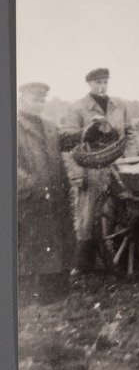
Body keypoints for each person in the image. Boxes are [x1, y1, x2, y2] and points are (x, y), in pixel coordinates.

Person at [60, 68, 134, 275]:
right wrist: (77, 173)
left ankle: (118, 255)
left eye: (105, 81)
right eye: (97, 82)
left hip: (117, 166)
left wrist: (130, 159)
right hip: (90, 168)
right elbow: (69, 142)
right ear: (89, 84)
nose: (102, 86)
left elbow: (129, 133)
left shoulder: (119, 105)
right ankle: (84, 263)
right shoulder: (78, 108)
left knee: (118, 210)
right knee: (88, 214)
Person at [17, 82, 75, 302]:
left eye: (42, 100)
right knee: (32, 245)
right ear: (22, 100)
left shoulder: (49, 126)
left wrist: (86, 133)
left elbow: (65, 141)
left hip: (55, 195)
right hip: (30, 199)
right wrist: (32, 187)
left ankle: (55, 293)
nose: (39, 104)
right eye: (35, 99)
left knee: (58, 242)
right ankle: (28, 295)